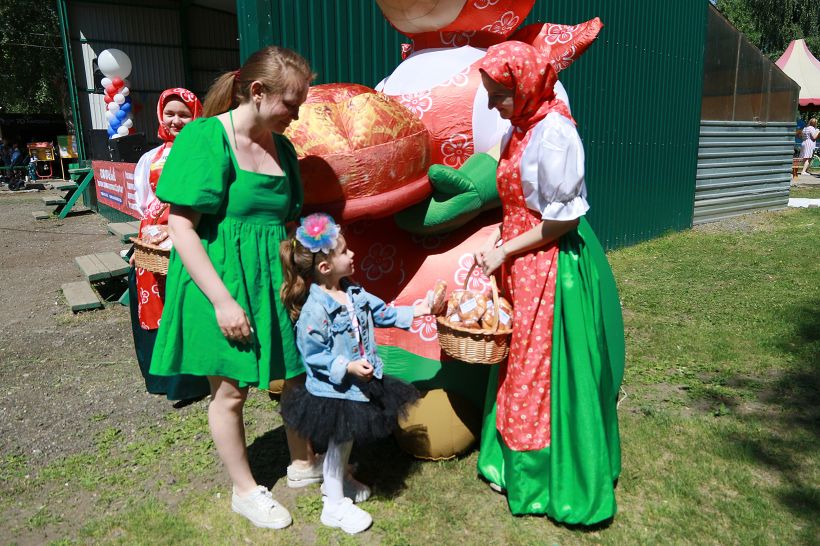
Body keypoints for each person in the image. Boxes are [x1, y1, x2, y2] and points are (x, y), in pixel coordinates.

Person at [148, 46, 317, 529]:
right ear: (258, 92)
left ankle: (304, 465)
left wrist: (302, 278)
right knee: (231, 393)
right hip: (216, 278)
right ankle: (245, 491)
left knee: (296, 375)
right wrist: (223, 301)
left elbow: (288, 222)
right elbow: (181, 227)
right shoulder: (206, 138)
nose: (297, 115)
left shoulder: (282, 148)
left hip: (274, 278)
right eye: (291, 103)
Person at [473, 42, 625, 525]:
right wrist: (500, 240)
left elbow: (562, 221)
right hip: (520, 261)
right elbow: (517, 204)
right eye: (492, 95)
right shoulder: (521, 128)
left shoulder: (555, 132)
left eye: (500, 95)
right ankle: (510, 461)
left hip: (549, 265)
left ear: (527, 85)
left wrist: (505, 249)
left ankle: (549, 477)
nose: (496, 105)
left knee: (540, 371)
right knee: (520, 365)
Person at [278, 213, 429, 534]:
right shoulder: (315, 309)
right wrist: (345, 366)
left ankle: (338, 487)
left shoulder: (353, 293)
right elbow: (313, 353)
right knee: (339, 441)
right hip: (335, 390)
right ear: (325, 268)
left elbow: (382, 311)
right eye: (345, 252)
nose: (352, 255)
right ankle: (332, 506)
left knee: (344, 444)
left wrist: (418, 310)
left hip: (358, 385)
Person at [128, 87, 210, 405]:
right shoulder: (150, 157)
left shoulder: (203, 153)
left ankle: (190, 383)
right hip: (154, 239)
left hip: (189, 234)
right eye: (170, 113)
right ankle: (161, 378)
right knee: (155, 304)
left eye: (184, 114)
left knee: (185, 305)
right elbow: (142, 201)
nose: (176, 120)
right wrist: (150, 236)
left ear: (196, 116)